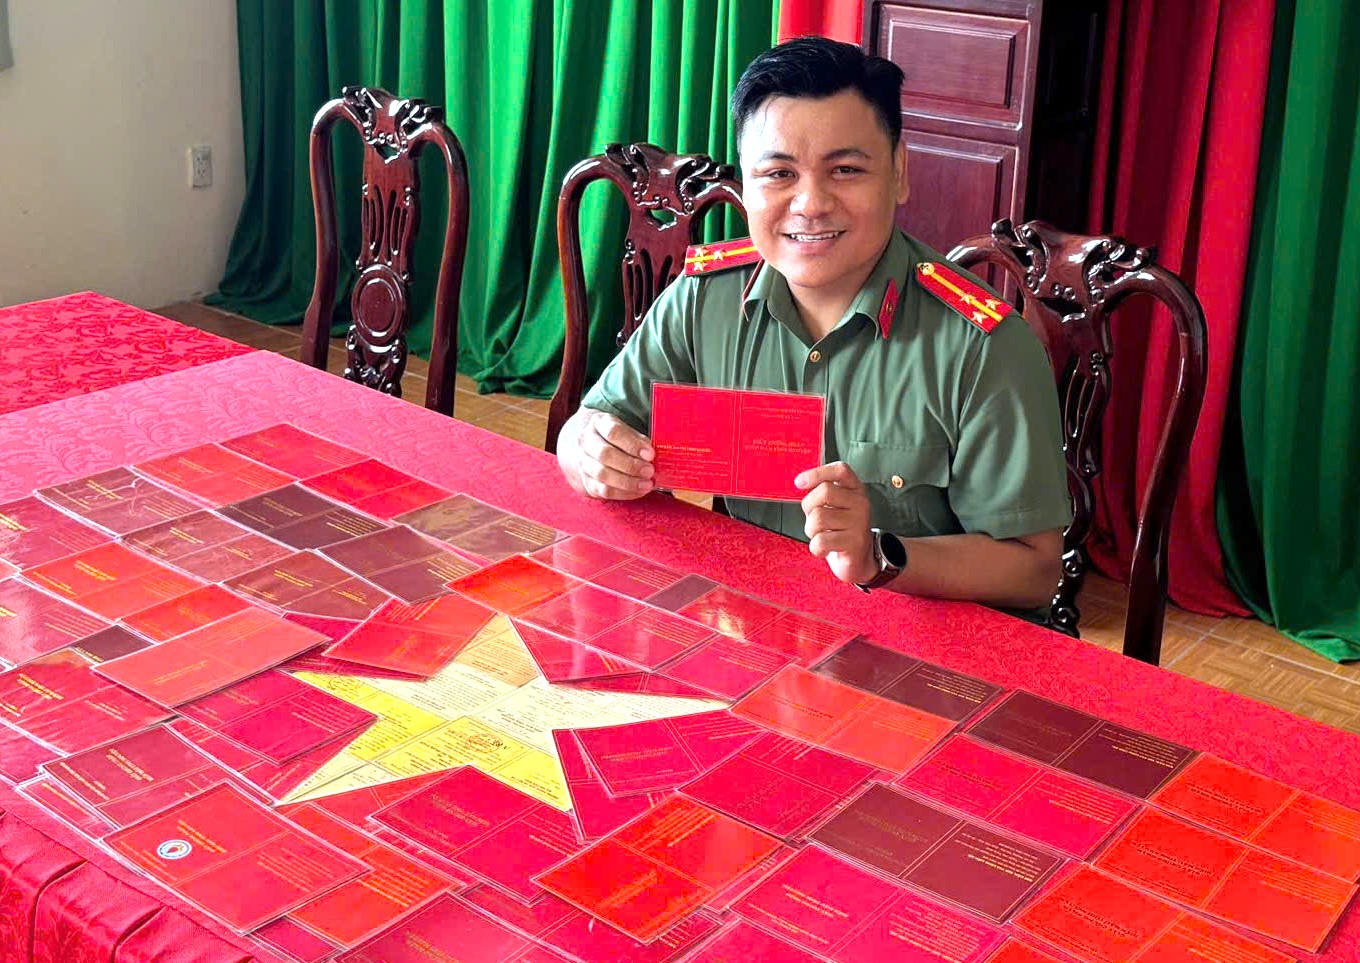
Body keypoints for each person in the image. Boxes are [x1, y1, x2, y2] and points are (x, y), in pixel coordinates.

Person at [555, 36, 1071, 610]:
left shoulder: (984, 345)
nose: (810, 204)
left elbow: (1035, 569)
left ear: (899, 171)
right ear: (745, 182)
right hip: (750, 622)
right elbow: (594, 425)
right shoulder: (703, 299)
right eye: (779, 173)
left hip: (914, 638)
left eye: (845, 169)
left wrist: (880, 556)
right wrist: (589, 451)